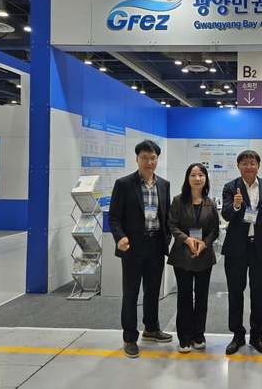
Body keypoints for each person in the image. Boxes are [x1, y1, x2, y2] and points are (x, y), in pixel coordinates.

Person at [109, 140, 173, 359]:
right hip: (133, 245)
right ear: (137, 159)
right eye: (145, 157)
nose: (149, 162)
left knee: (153, 290)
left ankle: (151, 329)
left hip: (156, 244)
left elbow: (166, 215)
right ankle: (129, 337)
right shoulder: (124, 184)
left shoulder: (163, 185)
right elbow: (114, 217)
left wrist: (167, 237)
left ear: (157, 160)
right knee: (131, 293)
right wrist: (120, 237)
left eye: (153, 158)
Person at [221, 150, 262, 355]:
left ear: (258, 166)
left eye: (252, 163)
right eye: (244, 163)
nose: (248, 166)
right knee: (235, 293)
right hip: (236, 248)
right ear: (238, 166)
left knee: (258, 293)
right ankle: (237, 334)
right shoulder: (230, 187)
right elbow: (226, 214)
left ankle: (257, 336)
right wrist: (236, 206)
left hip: (259, 247)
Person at [168, 163, 219, 353]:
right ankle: (184, 337)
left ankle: (199, 334)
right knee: (184, 297)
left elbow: (214, 230)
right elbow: (172, 225)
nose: (197, 179)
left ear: (205, 179)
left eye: (201, 175)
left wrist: (205, 243)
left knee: (202, 297)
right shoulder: (178, 201)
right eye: (193, 175)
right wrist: (186, 239)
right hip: (182, 255)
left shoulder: (210, 203)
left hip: (204, 256)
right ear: (187, 178)